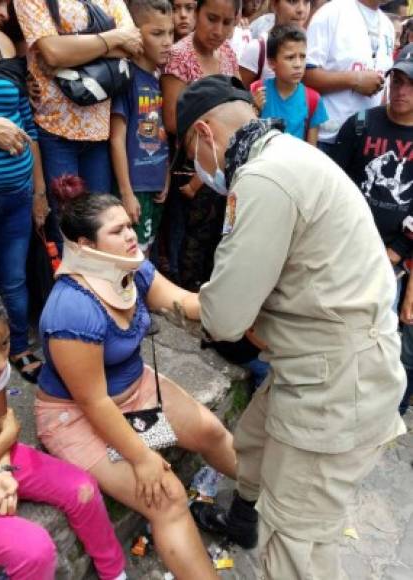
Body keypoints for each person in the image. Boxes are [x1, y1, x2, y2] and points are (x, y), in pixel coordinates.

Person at [174, 74, 406, 577]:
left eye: (190, 150)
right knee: (255, 442)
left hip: (338, 383)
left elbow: (226, 318)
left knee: (295, 541)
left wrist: (170, 298)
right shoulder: (288, 153)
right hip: (330, 359)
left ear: (206, 135)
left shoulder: (261, 179)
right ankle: (241, 519)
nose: (196, 168)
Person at [35, 176, 237, 580]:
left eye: (128, 225)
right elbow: (93, 402)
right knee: (168, 499)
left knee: (210, 431)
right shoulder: (71, 310)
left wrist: (240, 302)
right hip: (78, 417)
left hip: (134, 391)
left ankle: (272, 504)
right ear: (86, 246)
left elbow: (180, 300)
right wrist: (143, 458)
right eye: (117, 230)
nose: (131, 234)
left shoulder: (134, 268)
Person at [0, 285, 127, 580]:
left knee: (82, 488)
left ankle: (115, 572)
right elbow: (5, 430)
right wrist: (5, 443)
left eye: (5, 345)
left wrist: (1, 470)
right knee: (35, 552)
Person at [13, 0, 143, 244]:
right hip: (55, 130)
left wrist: (70, 50)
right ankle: (75, 284)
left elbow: (133, 44)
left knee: (105, 231)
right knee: (68, 236)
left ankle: (100, 284)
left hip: (99, 130)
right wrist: (112, 39)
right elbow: (52, 53)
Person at [333, 43, 413, 415]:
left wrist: (396, 249)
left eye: (410, 84)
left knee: (380, 336)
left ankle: (375, 411)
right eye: (397, 79)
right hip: (347, 249)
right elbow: (333, 186)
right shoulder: (362, 125)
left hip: (393, 261)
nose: (401, 90)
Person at [0, 0, 49, 384]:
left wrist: (38, 188)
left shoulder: (3, 41)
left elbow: (26, 119)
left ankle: (19, 347)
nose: (5, 9)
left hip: (15, 194)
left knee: (15, 280)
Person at [162, 0, 240, 291]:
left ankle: (209, 287)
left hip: (224, 158)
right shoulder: (180, 56)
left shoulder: (228, 53)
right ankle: (180, 291)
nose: (218, 30)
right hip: (189, 161)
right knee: (186, 232)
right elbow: (172, 120)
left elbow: (238, 101)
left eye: (227, 22)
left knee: (218, 229)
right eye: (211, 18)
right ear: (197, 13)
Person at [110, 0, 173, 255]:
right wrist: (126, 192)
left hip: (156, 184)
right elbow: (116, 139)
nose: (167, 41)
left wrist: (165, 175)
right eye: (157, 34)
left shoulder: (161, 79)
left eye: (170, 33)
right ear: (135, 34)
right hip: (134, 188)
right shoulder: (127, 79)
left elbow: (162, 132)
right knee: (133, 257)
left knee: (147, 253)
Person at [304, 0, 395, 158]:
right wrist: (355, 79)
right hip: (326, 139)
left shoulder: (388, 26)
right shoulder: (332, 12)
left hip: (367, 142)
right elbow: (305, 75)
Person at [253, 24, 327, 144]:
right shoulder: (258, 91)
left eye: (302, 57)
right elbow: (246, 134)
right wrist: (254, 109)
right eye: (290, 57)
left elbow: (311, 150)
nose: (298, 64)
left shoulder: (313, 100)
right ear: (272, 63)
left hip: (295, 162)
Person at [239, 0, 311, 89]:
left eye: (306, 2)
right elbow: (240, 94)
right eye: (293, 1)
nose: (301, 9)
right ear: (274, 4)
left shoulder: (312, 44)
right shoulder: (258, 48)